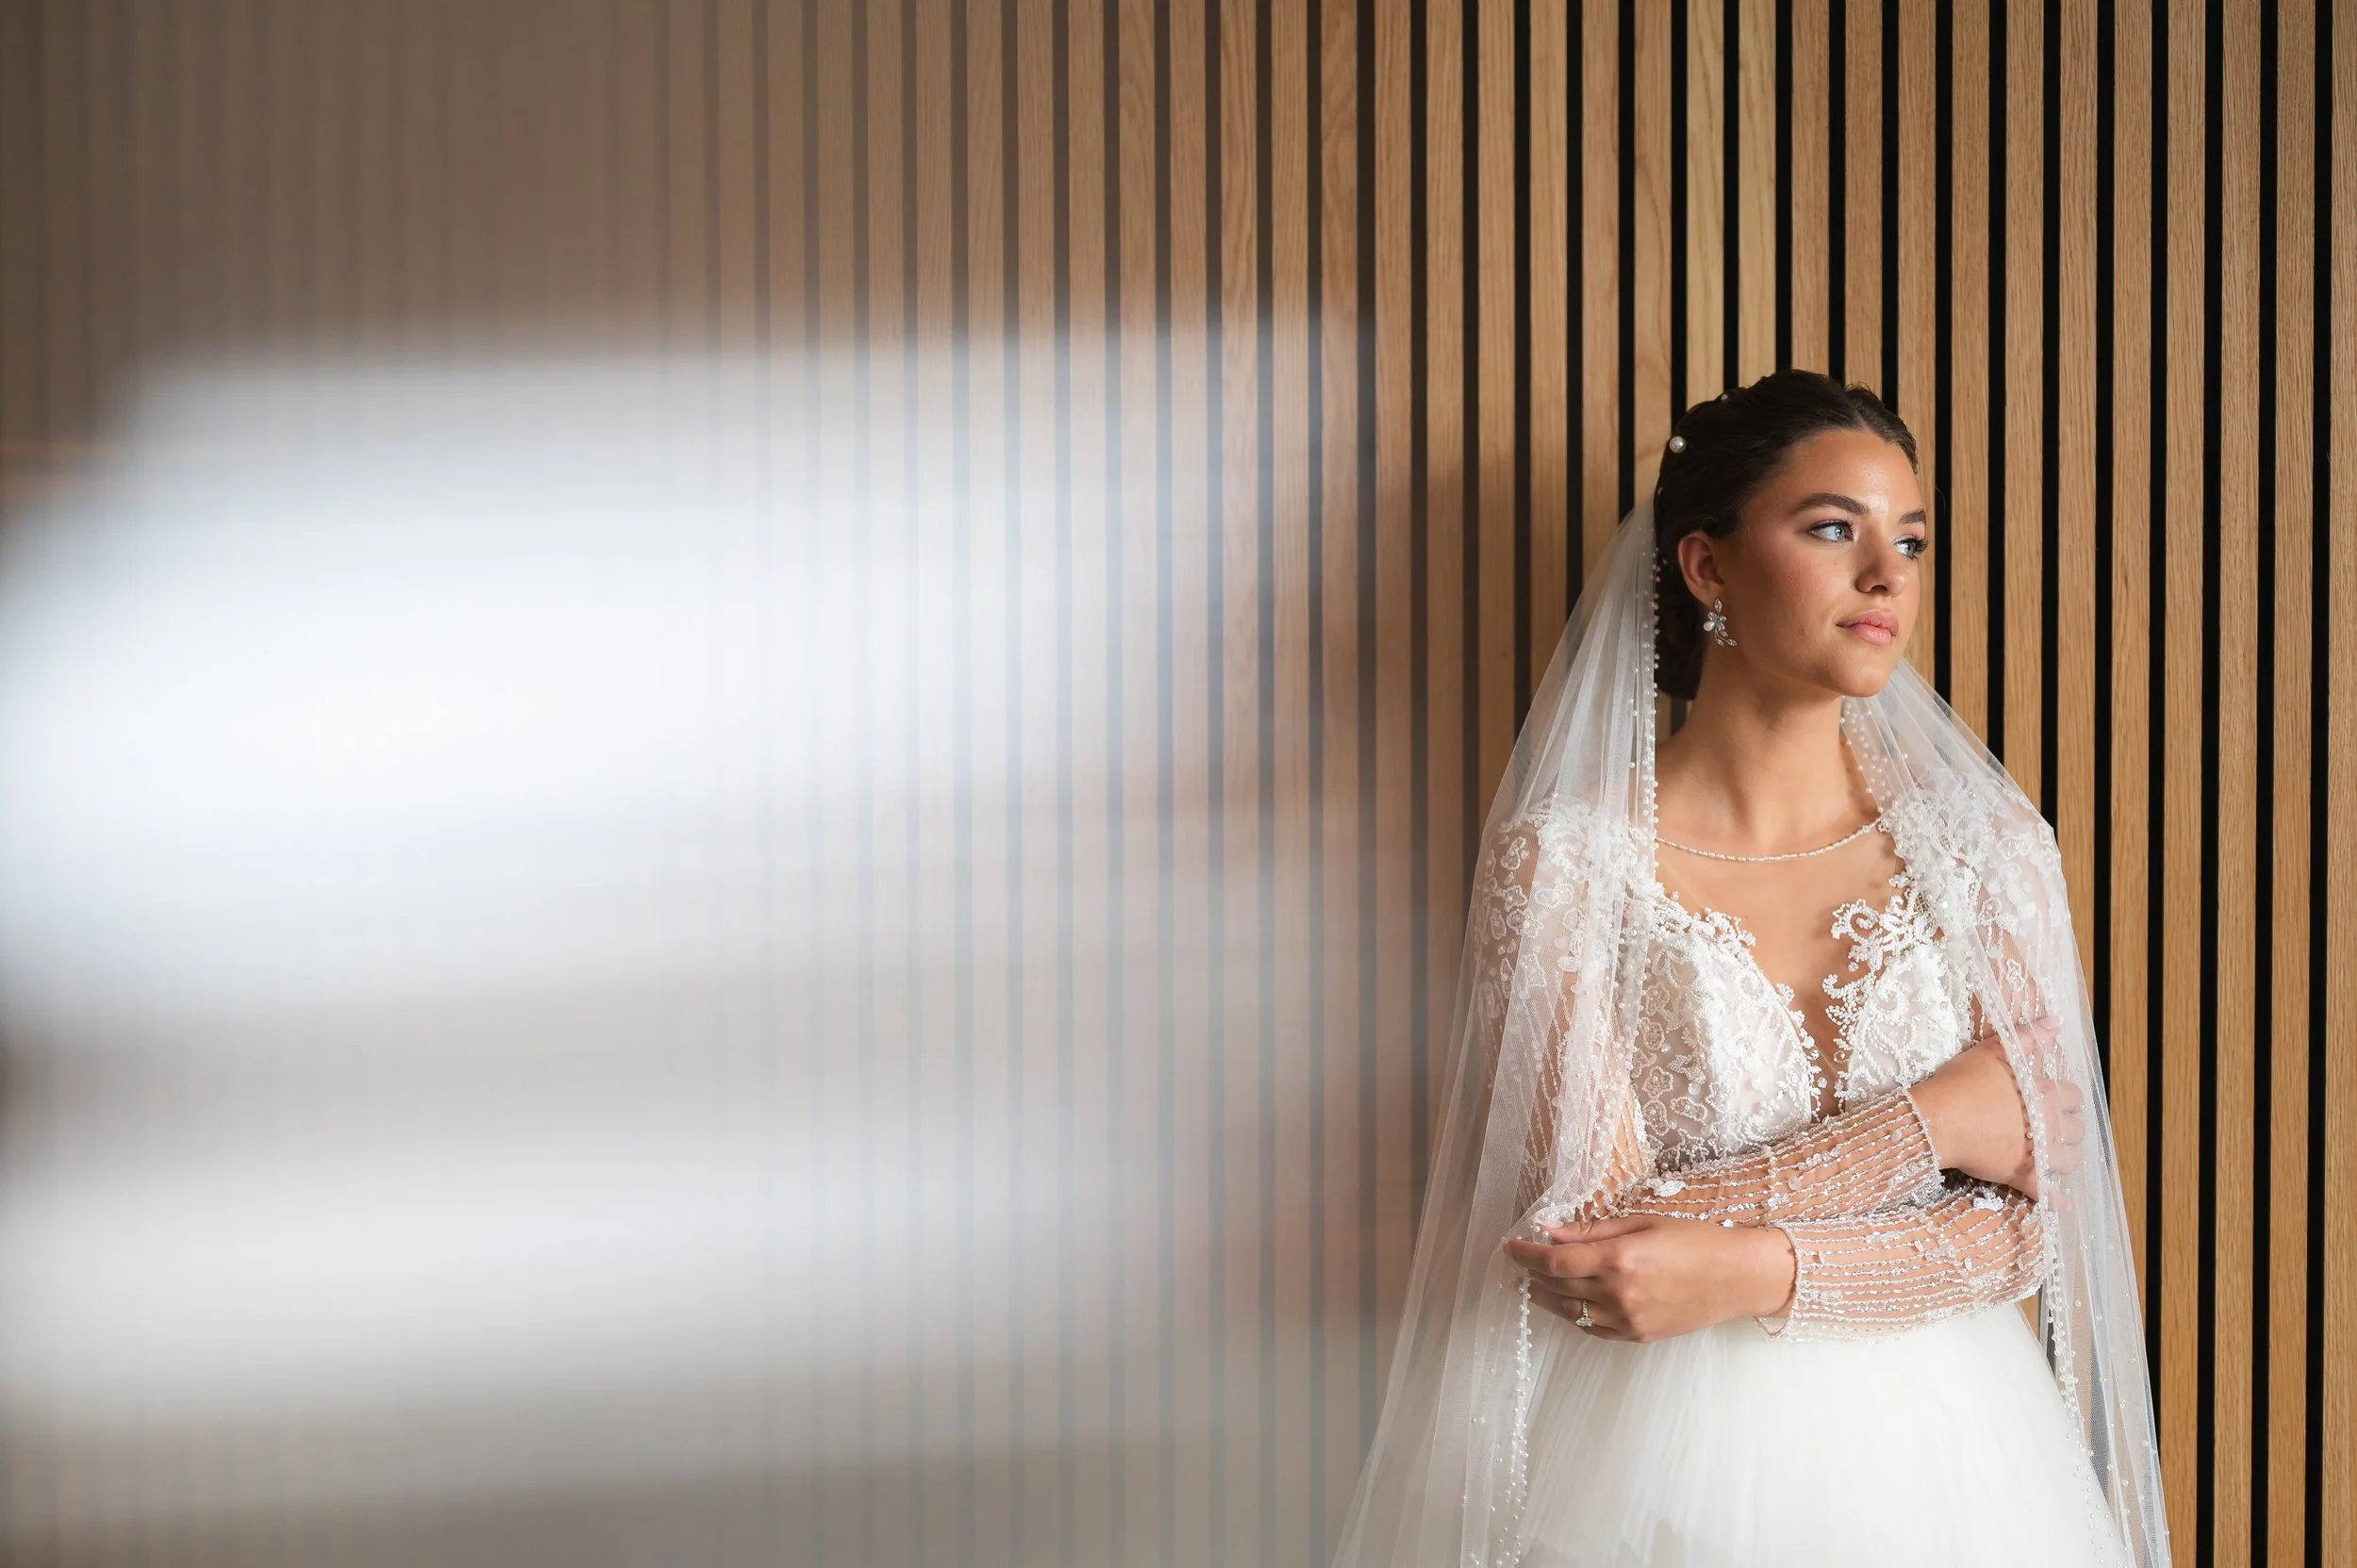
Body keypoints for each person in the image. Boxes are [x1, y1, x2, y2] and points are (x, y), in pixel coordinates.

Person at [1327, 371, 2169, 1568]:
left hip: (1950, 1466)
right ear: (1706, 565)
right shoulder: (1565, 864)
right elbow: (1596, 1249)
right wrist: (1930, 1125)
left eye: (1910, 539)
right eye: (1834, 528)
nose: (1889, 575)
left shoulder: (1988, 851)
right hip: (1640, 1464)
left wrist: (1742, 1266)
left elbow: (2035, 1235)